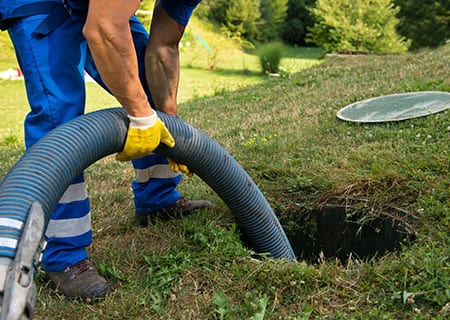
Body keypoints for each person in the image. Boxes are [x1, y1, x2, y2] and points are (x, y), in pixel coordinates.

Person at [0, 0, 212, 300]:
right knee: (58, 119)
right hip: (41, 4)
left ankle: (158, 198)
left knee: (148, 84)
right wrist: (140, 115)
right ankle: (63, 255)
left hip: (93, 6)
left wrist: (167, 120)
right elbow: (103, 29)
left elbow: (163, 47)